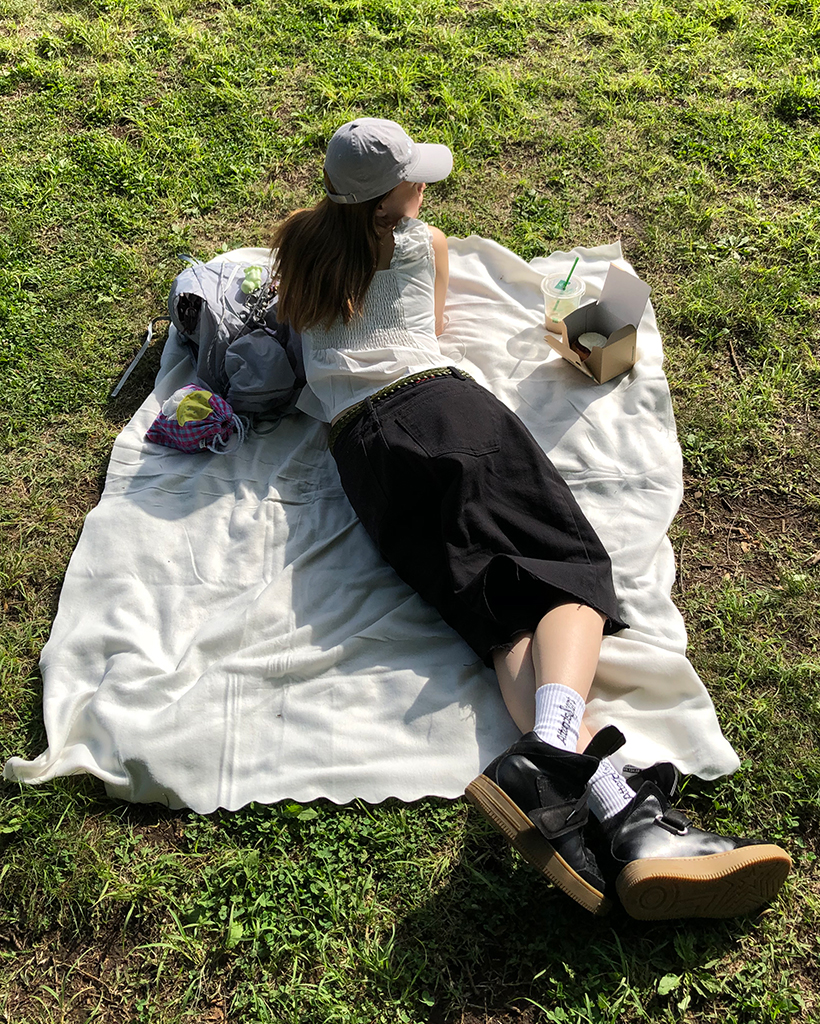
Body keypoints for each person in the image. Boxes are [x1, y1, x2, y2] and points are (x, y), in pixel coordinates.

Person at [272, 117, 791, 920]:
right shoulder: (420, 244)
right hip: (440, 411)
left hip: (366, 464)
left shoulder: (298, 245)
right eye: (413, 181)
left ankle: (623, 818)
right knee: (569, 571)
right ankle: (551, 753)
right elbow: (430, 328)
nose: (424, 187)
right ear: (385, 206)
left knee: (504, 622)